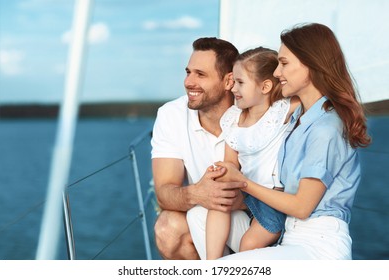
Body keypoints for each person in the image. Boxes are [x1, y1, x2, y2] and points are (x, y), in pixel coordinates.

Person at [207, 23, 371, 260]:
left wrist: (242, 182)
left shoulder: (326, 127)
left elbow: (302, 207)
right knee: (202, 219)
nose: (276, 73)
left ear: (310, 64)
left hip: (320, 247)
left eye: (284, 64)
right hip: (290, 238)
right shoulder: (297, 118)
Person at [151, 37, 250, 260]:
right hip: (205, 215)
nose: (188, 82)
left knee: (202, 214)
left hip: (255, 221)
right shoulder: (171, 115)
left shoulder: (254, 112)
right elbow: (164, 193)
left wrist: (239, 199)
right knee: (168, 228)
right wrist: (199, 193)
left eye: (200, 74)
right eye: (188, 72)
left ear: (228, 81)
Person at [205, 47, 300, 259]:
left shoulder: (281, 111)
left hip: (273, 197)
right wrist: (222, 171)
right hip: (246, 192)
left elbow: (313, 91)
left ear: (265, 86)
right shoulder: (233, 118)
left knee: (248, 245)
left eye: (240, 83)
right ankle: (211, 263)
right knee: (218, 199)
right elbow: (230, 162)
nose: (233, 89)